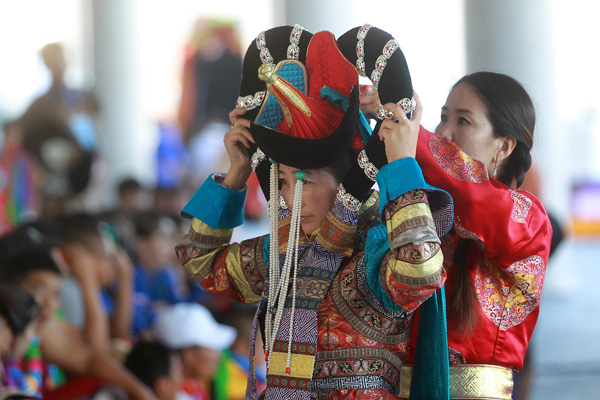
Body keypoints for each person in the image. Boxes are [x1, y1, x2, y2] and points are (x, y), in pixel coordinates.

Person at [175, 25, 453, 399]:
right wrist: (236, 174)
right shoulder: (283, 255)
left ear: (343, 180)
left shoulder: (374, 255)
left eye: (304, 182)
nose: (291, 199)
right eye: (284, 183)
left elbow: (421, 271)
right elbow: (200, 260)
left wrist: (400, 163)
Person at [361, 71, 553, 399]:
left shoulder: (528, 220)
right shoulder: (422, 210)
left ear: (504, 146)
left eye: (463, 121)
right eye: (443, 117)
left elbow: (474, 194)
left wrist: (409, 134)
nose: (444, 132)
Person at [0, 223, 156, 400]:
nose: (50, 304)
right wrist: (88, 279)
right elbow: (97, 345)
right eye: (38, 290)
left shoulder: (39, 324)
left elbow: (91, 358)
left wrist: (141, 391)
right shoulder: (61, 300)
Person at [152, 303, 236, 400]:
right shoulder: (172, 395)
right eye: (214, 347)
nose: (220, 356)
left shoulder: (195, 385)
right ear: (189, 355)